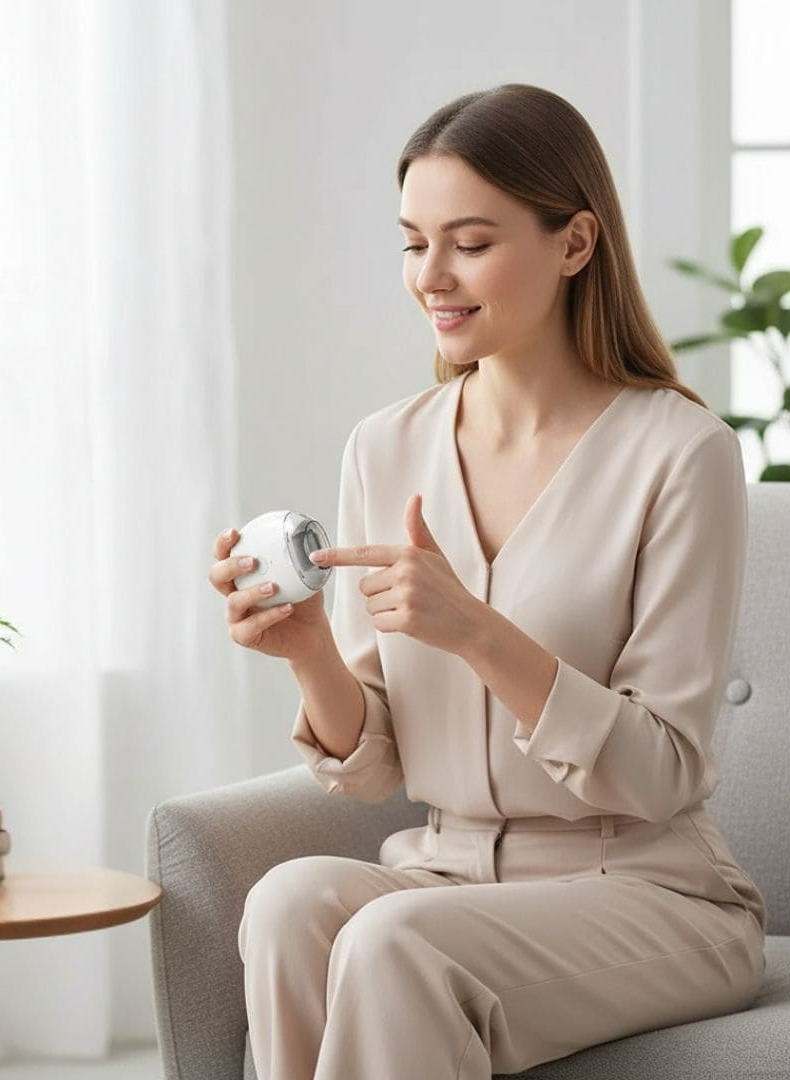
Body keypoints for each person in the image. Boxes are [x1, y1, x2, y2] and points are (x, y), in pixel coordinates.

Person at [207, 83, 766, 1080]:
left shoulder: (682, 454)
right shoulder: (386, 446)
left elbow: (663, 772)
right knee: (289, 903)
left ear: (574, 244)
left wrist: (478, 632)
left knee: (395, 943)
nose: (432, 275)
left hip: (649, 894)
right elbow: (374, 767)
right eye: (413, 242)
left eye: (470, 241)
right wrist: (310, 656)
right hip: (448, 869)